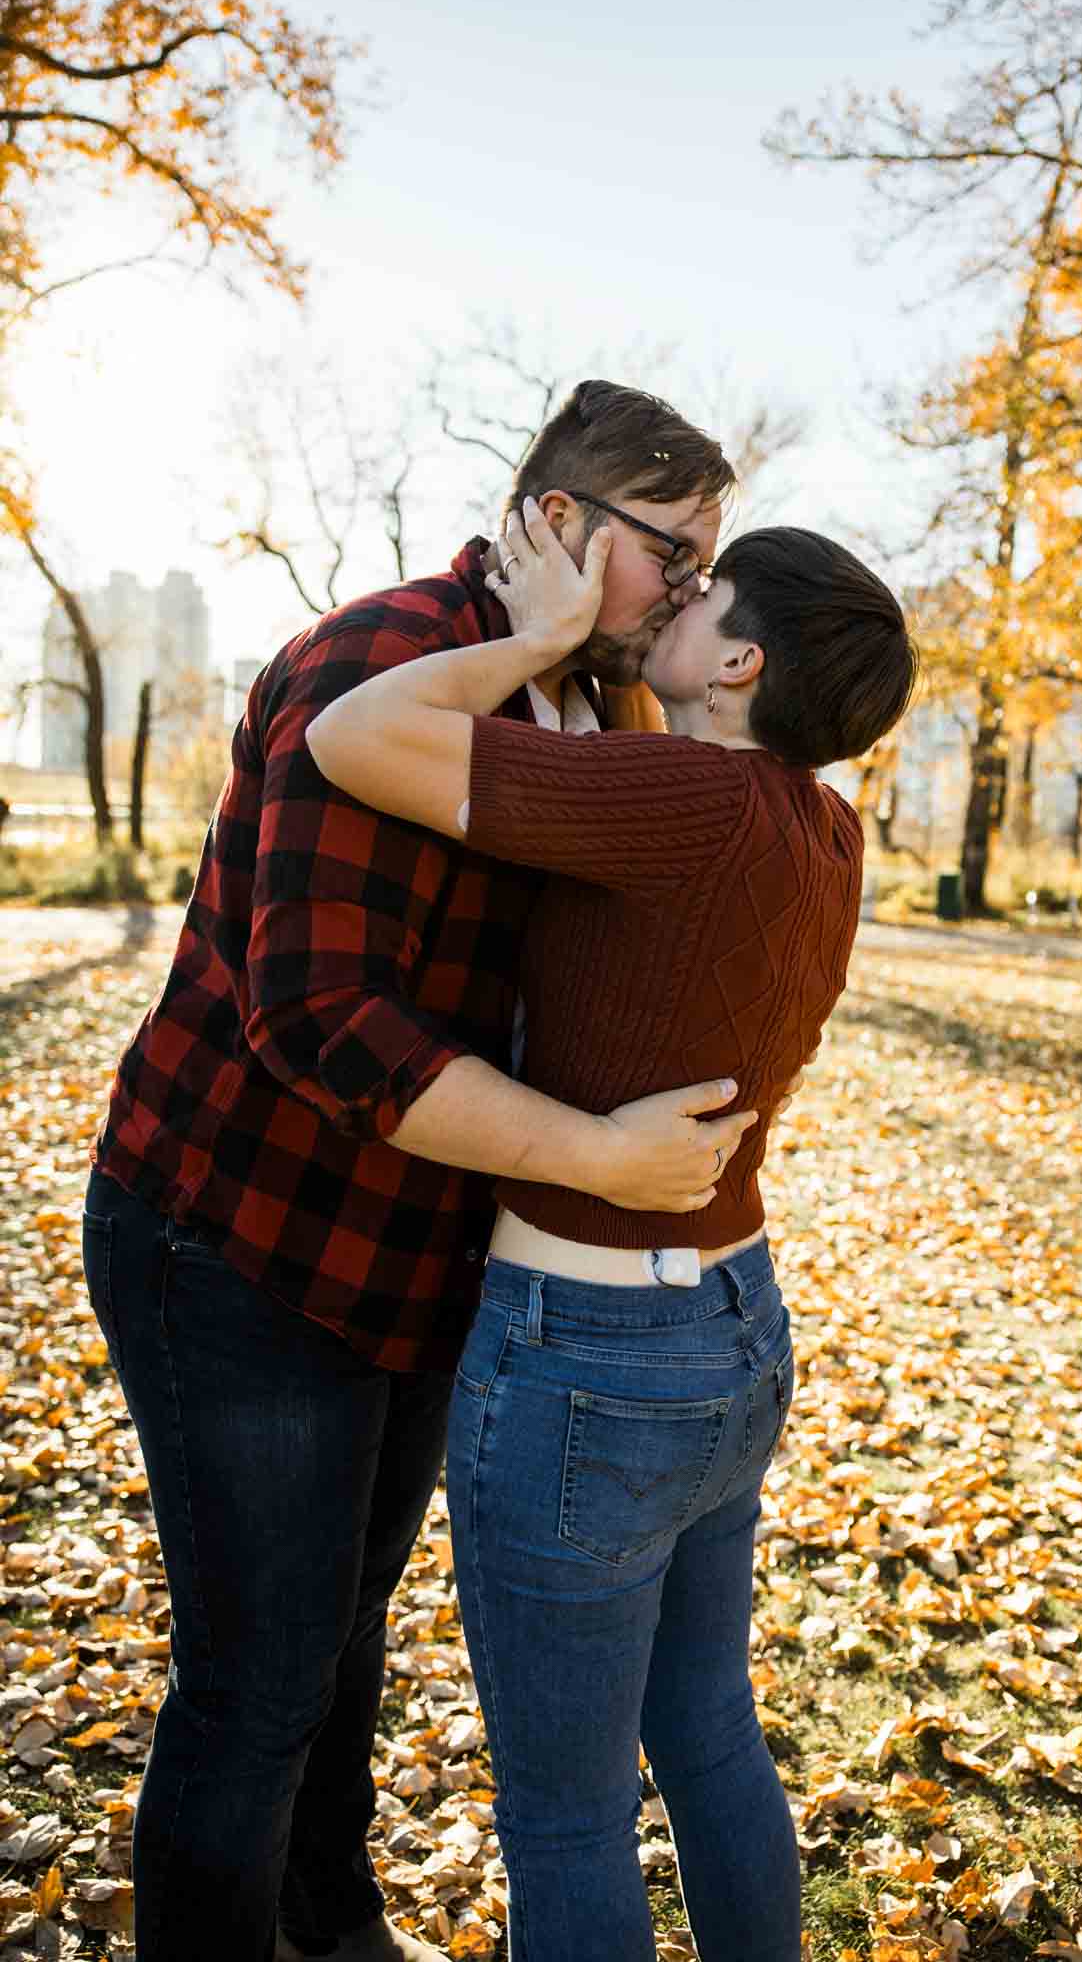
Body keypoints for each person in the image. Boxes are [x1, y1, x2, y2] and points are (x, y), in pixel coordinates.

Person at [79, 382, 763, 1962]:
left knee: (342, 1641)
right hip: (241, 1237)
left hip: (412, 1259)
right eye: (671, 551)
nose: (688, 589)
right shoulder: (379, 662)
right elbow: (318, 1016)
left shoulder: (601, 711)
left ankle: (332, 1925)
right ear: (557, 525)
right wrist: (594, 1155)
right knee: (256, 1683)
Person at [307, 497, 918, 1962]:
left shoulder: (676, 805)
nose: (673, 611)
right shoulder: (820, 833)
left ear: (741, 668)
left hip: (587, 1358)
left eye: (706, 606)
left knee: (569, 1821)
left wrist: (535, 637)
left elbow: (348, 737)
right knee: (709, 1734)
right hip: (730, 1332)